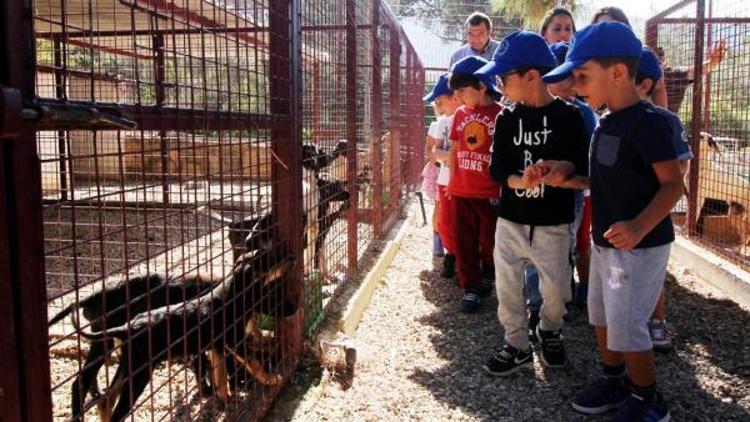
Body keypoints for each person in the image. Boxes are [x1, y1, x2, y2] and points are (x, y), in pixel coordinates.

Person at [543, 22, 684, 420]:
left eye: (583, 76)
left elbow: (673, 186)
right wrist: (565, 175)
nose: (576, 84)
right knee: (602, 316)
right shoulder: (604, 122)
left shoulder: (650, 123)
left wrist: (639, 226)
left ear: (618, 73)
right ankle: (615, 378)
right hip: (608, 242)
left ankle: (648, 398)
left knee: (628, 325)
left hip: (640, 246)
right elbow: (604, 179)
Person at [477, 31, 588, 375]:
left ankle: (550, 329)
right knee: (508, 287)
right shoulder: (507, 118)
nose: (498, 83)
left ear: (532, 76)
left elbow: (579, 167)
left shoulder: (570, 117)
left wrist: (562, 172)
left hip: (553, 223)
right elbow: (499, 170)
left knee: (556, 290)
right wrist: (520, 180)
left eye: (504, 77)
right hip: (511, 221)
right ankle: (516, 344)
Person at [636, 47, 694, 353]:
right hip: (620, 212)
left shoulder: (667, 121)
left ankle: (656, 322)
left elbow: (681, 166)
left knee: (653, 273)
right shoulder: (608, 120)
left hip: (655, 215)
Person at [590, 6, 727, 113]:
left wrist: (712, 62)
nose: (605, 33)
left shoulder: (644, 60)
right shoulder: (590, 65)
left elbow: (685, 75)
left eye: (610, 26)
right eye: (599, 28)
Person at [446, 56, 503, 313]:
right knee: (463, 241)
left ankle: (489, 274)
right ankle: (470, 287)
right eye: (455, 92)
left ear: (481, 85)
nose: (458, 97)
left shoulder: (502, 114)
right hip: (461, 190)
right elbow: (455, 150)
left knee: (490, 240)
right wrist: (450, 180)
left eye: (461, 91)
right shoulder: (460, 114)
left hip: (490, 191)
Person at [423, 73, 463, 276]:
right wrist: (444, 156)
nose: (439, 106)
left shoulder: (466, 119)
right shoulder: (443, 123)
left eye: (441, 101)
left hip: (464, 182)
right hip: (445, 179)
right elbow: (434, 152)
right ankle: (450, 254)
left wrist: (445, 156)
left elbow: (456, 155)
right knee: (446, 222)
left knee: (464, 222)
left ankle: (467, 263)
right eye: (437, 102)